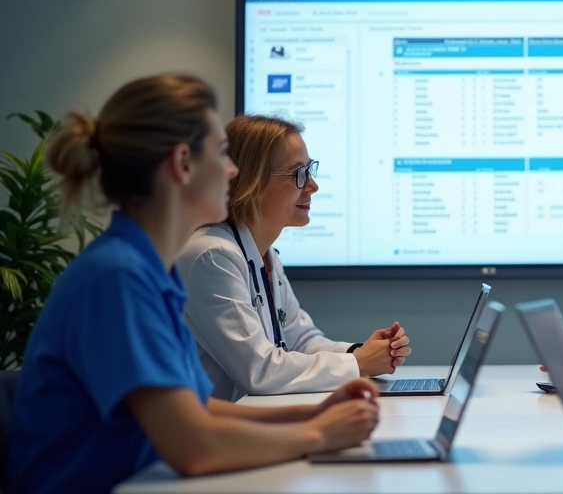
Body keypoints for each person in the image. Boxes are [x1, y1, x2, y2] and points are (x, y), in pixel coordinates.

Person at [8, 75, 380, 494]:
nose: (234, 170)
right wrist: (319, 435)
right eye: (222, 152)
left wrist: (310, 415)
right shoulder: (118, 277)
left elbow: (198, 410)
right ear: (183, 163)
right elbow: (194, 448)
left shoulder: (152, 270)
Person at [176, 115, 411, 401]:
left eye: (310, 170)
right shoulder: (212, 257)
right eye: (298, 173)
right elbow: (260, 371)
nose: (312, 185)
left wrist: (359, 352)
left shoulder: (266, 256)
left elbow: (300, 340)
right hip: (216, 427)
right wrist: (358, 363)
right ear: (251, 180)